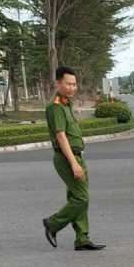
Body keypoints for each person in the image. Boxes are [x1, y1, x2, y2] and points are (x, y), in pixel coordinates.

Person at [42, 66, 104, 251]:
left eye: (74, 84)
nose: (72, 88)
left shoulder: (66, 103)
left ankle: (82, 238)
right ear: (58, 83)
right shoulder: (55, 107)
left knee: (76, 197)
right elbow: (61, 136)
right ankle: (52, 224)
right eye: (68, 84)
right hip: (66, 158)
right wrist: (74, 163)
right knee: (82, 198)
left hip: (77, 156)